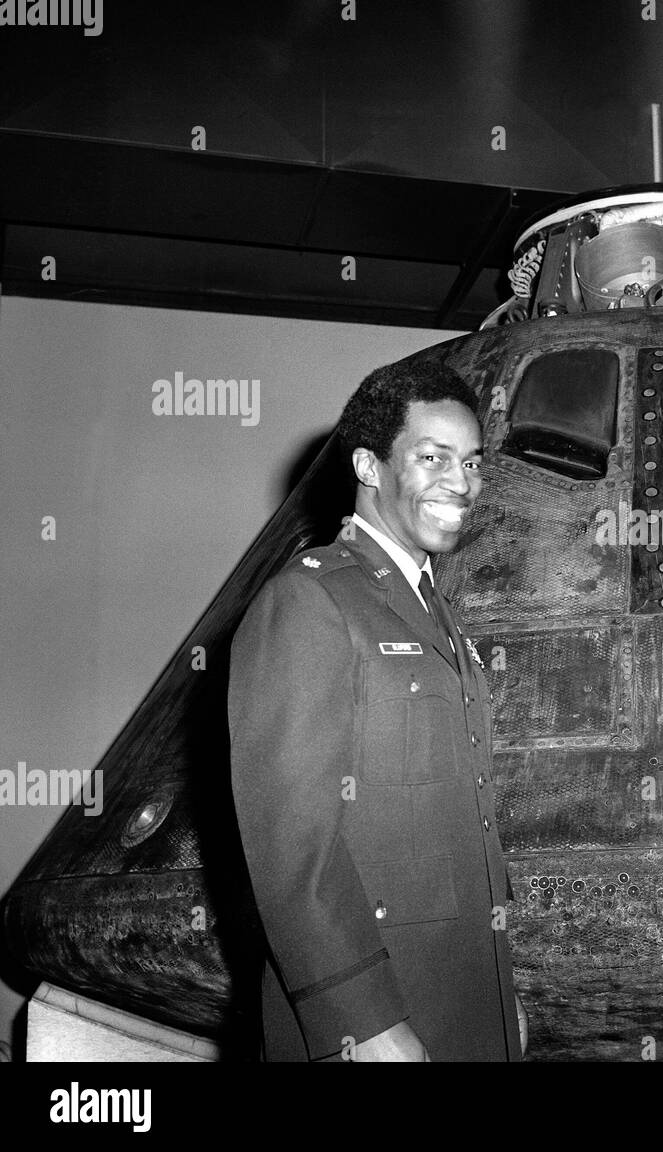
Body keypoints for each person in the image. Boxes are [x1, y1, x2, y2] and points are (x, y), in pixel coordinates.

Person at [229, 359, 520, 1061]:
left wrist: (499, 995)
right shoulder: (311, 600)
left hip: (461, 1000)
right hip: (377, 1016)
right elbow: (294, 852)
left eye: (472, 462)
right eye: (433, 458)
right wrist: (362, 1021)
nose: (461, 483)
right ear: (368, 466)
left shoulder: (434, 610)